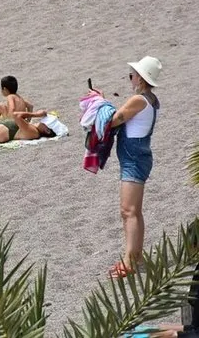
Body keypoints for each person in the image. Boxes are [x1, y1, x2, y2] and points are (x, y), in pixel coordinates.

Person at [96, 56, 162, 278]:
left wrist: (101, 103)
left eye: (132, 75)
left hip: (134, 159)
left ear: (141, 78)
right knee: (133, 211)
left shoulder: (139, 100)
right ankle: (135, 255)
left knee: (128, 211)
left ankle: (130, 261)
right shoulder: (151, 99)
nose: (130, 78)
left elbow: (115, 119)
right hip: (138, 157)